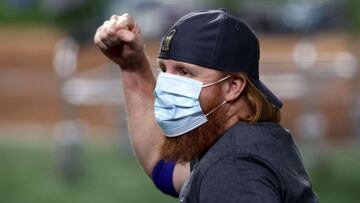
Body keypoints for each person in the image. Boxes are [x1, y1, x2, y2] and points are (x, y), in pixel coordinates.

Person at [94, 9, 319, 203]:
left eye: (184, 72)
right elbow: (163, 168)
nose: (166, 85)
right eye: (164, 70)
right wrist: (132, 65)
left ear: (233, 87)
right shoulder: (241, 143)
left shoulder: (235, 169)